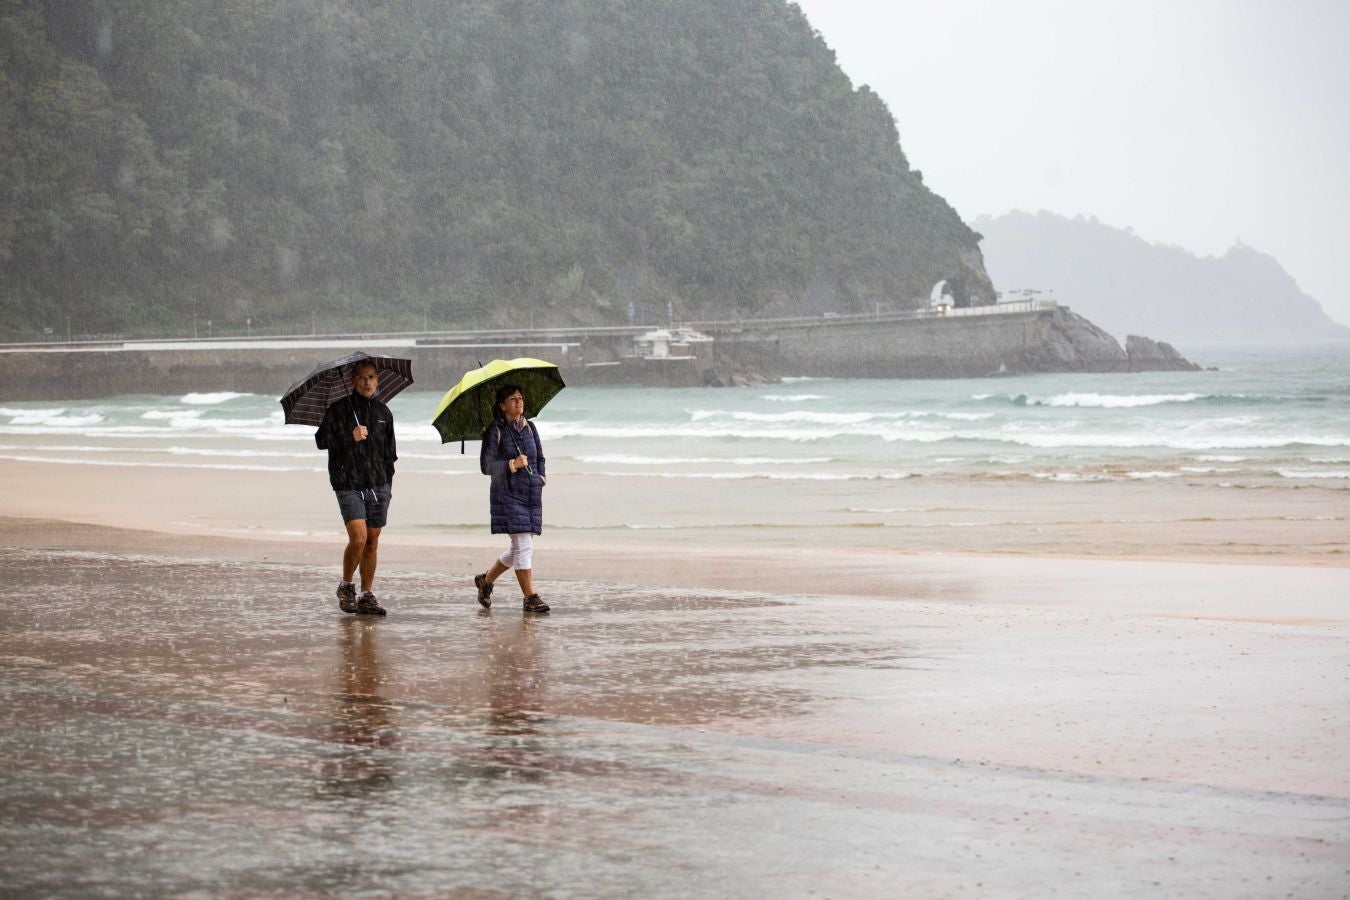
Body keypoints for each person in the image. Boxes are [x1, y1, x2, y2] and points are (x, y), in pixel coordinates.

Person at [316, 359, 396, 616]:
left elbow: (390, 454)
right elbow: (320, 441)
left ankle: (366, 595)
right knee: (358, 538)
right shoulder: (338, 409)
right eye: (362, 377)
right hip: (347, 482)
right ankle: (347, 585)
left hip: (378, 484)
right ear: (352, 381)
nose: (367, 382)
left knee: (372, 542)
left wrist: (387, 485)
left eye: (371, 377)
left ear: (378, 380)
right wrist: (348, 436)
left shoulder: (384, 413)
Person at [473, 383, 550, 613]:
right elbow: (486, 466)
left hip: (530, 493)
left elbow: (540, 457)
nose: (519, 402)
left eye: (521, 398)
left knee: (518, 547)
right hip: (506, 494)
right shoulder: (495, 430)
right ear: (502, 405)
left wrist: (542, 477)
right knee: (524, 545)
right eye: (514, 399)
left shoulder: (530, 428)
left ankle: (485, 581)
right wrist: (511, 464)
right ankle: (530, 597)